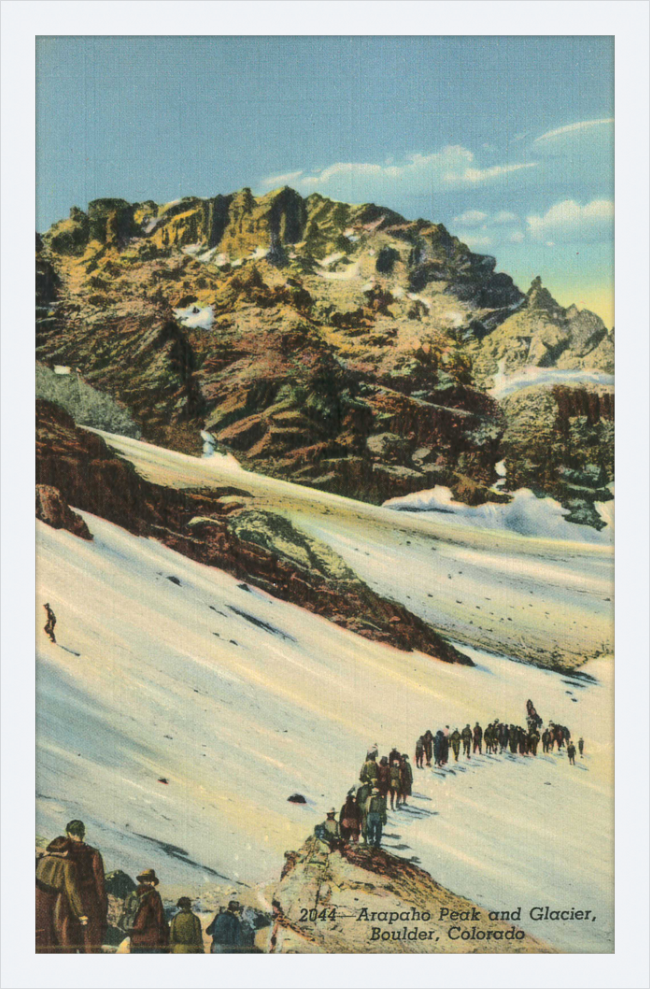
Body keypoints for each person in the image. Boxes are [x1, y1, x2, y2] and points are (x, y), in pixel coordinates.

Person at [35, 819, 107, 953]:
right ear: (83, 833)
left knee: (64, 939)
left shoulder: (63, 851)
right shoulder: (93, 853)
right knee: (87, 941)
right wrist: (102, 907)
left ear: (68, 833)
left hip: (63, 900)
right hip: (87, 901)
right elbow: (100, 883)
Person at [129, 869, 169, 953]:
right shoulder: (154, 895)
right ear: (152, 881)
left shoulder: (133, 894)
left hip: (135, 939)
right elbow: (160, 917)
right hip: (151, 939)